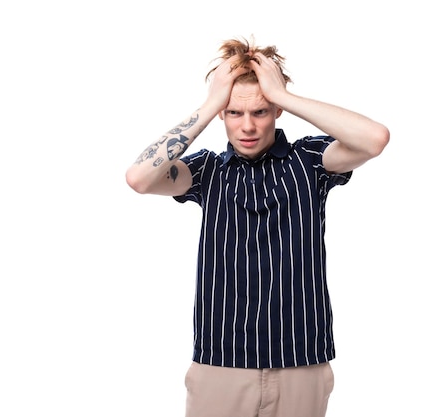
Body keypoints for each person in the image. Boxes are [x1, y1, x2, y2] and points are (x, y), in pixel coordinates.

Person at [125, 37, 390, 417]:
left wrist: (283, 96)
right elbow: (139, 178)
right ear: (222, 114)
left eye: (261, 112)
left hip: (301, 361)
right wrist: (211, 103)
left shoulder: (310, 162)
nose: (247, 126)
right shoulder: (207, 171)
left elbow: (375, 138)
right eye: (234, 113)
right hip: (221, 362)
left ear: (276, 111)